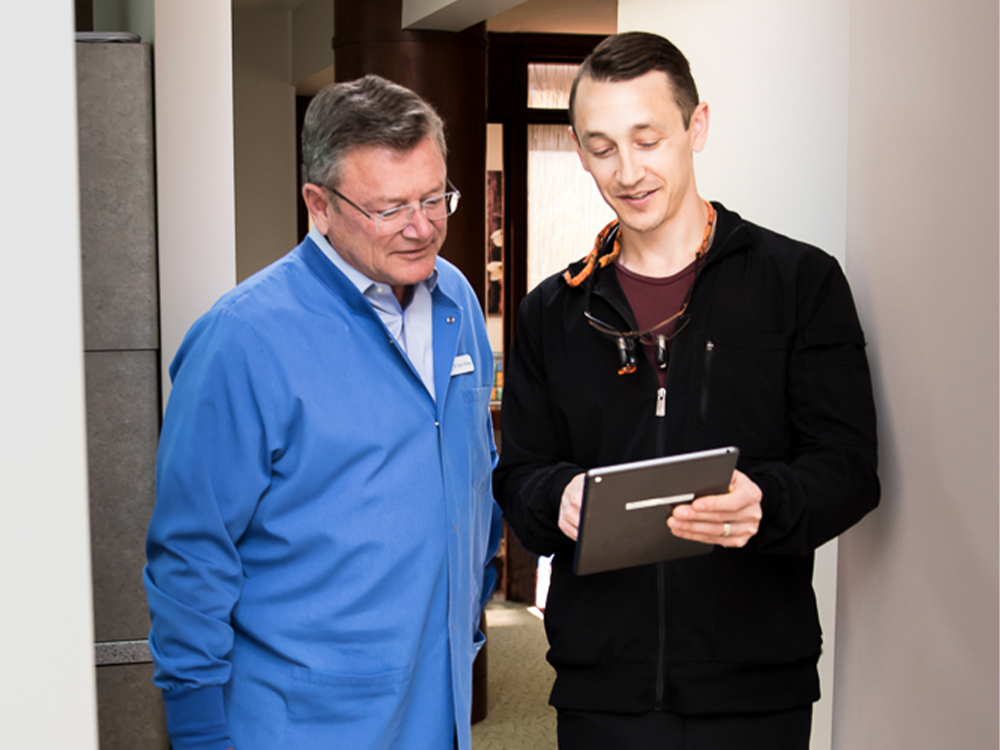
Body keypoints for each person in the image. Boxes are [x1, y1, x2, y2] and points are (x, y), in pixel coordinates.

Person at [493, 32, 879, 750]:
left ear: (696, 127)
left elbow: (851, 471)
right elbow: (519, 479)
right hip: (601, 685)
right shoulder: (551, 310)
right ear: (579, 150)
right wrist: (559, 497)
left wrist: (767, 503)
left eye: (648, 140)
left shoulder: (801, 283)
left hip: (756, 685)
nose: (627, 171)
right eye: (601, 147)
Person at [144, 74, 502, 750]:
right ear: (319, 203)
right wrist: (197, 731)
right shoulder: (242, 340)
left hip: (437, 702)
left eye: (434, 197)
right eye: (391, 208)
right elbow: (192, 552)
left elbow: (473, 473)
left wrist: (471, 602)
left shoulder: (454, 297)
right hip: (300, 722)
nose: (422, 228)